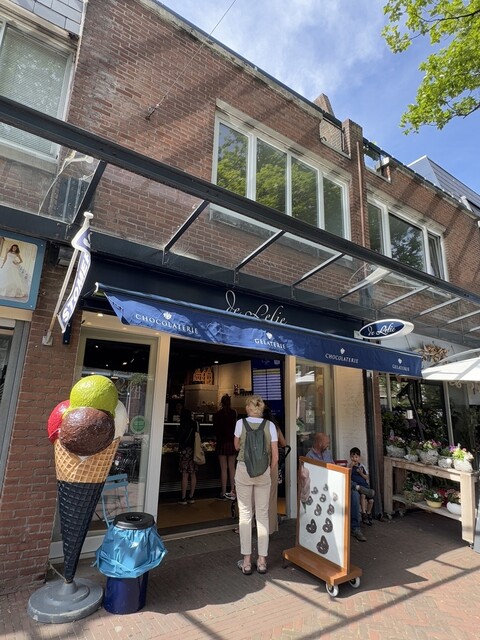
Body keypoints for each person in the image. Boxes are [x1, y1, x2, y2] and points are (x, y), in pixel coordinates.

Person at [234, 395, 278, 575]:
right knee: (262, 515)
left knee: (245, 515)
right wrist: (268, 470)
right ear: (261, 409)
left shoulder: (240, 424)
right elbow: (275, 455)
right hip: (263, 473)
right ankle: (262, 561)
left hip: (244, 470)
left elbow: (236, 446)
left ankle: (246, 561)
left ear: (248, 408)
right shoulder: (270, 426)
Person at [305, 432, 367, 542]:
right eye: (327, 443)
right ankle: (356, 487)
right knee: (354, 490)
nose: (328, 445)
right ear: (320, 443)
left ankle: (355, 528)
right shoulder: (309, 456)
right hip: (321, 487)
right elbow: (311, 476)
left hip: (333, 482)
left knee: (354, 495)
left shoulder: (327, 453)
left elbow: (333, 467)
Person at [263, 404, 286, 535]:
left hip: (260, 462)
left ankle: (253, 525)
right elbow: (284, 443)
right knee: (271, 497)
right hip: (273, 461)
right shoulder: (274, 427)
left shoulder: (258, 426)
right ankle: (270, 527)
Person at [213, 394, 237, 501]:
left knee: (223, 469)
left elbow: (215, 430)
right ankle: (232, 491)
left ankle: (223, 493)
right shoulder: (234, 413)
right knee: (232, 468)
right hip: (232, 443)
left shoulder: (217, 414)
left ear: (221, 403)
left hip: (221, 443)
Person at [349, 447, 375, 525]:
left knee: (371, 500)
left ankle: (368, 513)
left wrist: (361, 473)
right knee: (363, 496)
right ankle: (364, 514)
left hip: (365, 485)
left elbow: (367, 477)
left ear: (359, 457)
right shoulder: (350, 466)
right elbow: (348, 475)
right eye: (352, 457)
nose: (354, 459)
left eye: (356, 457)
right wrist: (351, 466)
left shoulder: (362, 466)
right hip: (358, 486)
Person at [177, 408, 198, 505]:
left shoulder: (182, 425)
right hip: (194, 451)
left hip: (184, 451)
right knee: (193, 473)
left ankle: (183, 497)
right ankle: (191, 496)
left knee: (185, 475)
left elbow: (177, 437)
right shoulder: (195, 424)